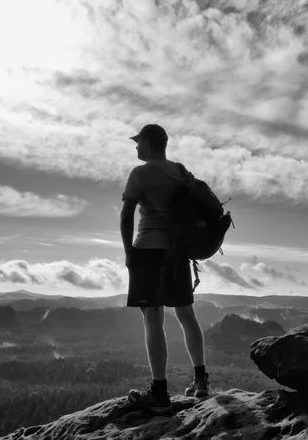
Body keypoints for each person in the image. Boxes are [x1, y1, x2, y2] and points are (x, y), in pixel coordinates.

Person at [120, 124, 209, 412]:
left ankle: (159, 394)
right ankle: (201, 380)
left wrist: (128, 253)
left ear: (148, 142)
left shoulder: (140, 174)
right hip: (177, 253)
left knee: (153, 319)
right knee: (186, 314)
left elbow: (126, 215)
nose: (136, 147)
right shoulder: (180, 170)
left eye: (138, 142)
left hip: (148, 251)